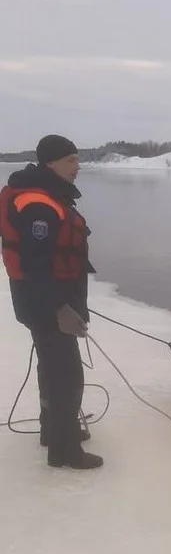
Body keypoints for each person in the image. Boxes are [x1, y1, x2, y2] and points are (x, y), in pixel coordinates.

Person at [0, 135, 103, 469]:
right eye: (71, 160)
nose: (78, 166)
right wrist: (60, 308)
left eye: (77, 158)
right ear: (51, 163)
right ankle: (65, 449)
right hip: (46, 302)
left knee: (52, 367)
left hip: (43, 300)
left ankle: (54, 431)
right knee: (66, 375)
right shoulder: (38, 204)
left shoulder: (45, 193)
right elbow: (36, 263)